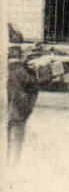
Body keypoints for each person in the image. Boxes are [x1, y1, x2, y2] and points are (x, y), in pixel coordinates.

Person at [7, 32, 40, 160]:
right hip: (18, 113)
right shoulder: (23, 71)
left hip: (7, 112)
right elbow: (33, 88)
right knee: (15, 146)